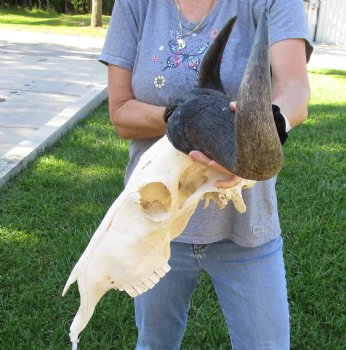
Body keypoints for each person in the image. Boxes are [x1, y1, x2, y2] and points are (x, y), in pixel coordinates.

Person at [99, 1, 312, 349]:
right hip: (157, 220)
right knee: (154, 344)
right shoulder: (137, 5)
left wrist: (272, 120)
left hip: (244, 224)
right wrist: (185, 115)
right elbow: (121, 113)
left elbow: (294, 89)